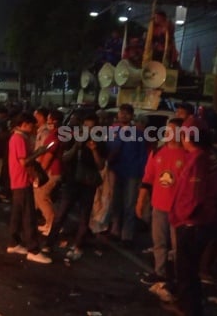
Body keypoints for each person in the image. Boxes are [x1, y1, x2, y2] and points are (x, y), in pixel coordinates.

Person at [167, 126, 217, 316]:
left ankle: (189, 308)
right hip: (196, 222)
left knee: (186, 269)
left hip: (192, 223)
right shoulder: (203, 157)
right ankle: (189, 305)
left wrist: (182, 216)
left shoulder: (198, 159)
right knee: (189, 269)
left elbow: (194, 196)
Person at [46, 113, 106, 260]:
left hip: (88, 184)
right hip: (72, 182)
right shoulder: (73, 139)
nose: (88, 130)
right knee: (61, 214)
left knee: (84, 217)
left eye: (91, 127)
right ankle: (49, 243)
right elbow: (64, 158)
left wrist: (94, 150)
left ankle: (78, 245)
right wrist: (76, 148)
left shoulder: (99, 142)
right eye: (85, 126)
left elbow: (100, 165)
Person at [135, 118, 186, 287]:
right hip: (159, 205)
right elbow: (147, 178)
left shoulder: (188, 155)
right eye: (167, 130)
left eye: (172, 130)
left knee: (180, 246)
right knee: (159, 241)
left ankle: (181, 277)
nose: (168, 134)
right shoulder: (157, 152)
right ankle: (160, 272)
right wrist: (140, 200)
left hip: (179, 209)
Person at [6, 112, 52, 264]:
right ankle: (33, 249)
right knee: (28, 216)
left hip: (18, 180)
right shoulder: (19, 139)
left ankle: (14, 243)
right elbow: (24, 162)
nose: (34, 128)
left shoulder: (16, 137)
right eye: (32, 125)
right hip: (22, 180)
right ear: (24, 124)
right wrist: (40, 152)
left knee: (18, 214)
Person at [107, 103, 148, 248]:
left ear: (131, 116)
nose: (123, 115)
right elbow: (108, 150)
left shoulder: (138, 133)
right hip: (115, 171)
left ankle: (127, 236)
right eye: (121, 112)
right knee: (115, 202)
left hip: (132, 173)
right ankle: (115, 230)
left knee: (130, 204)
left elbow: (143, 156)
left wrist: (142, 175)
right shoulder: (112, 130)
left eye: (126, 113)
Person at [34, 109, 64, 236]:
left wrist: (41, 172)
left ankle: (53, 225)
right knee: (45, 198)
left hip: (52, 171)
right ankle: (49, 223)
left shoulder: (54, 136)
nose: (48, 122)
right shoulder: (58, 134)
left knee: (42, 197)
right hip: (53, 170)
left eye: (49, 120)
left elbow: (49, 155)